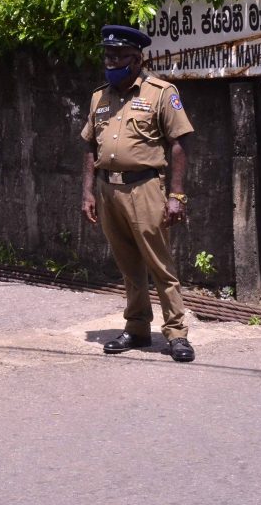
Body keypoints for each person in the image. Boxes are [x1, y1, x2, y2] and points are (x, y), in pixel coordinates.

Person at [80, 25, 196, 362]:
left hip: (145, 188)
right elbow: (90, 146)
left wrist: (176, 196)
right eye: (107, 56)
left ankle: (176, 333)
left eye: (118, 57)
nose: (111, 62)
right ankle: (137, 328)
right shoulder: (99, 97)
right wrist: (88, 192)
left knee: (159, 264)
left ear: (137, 59)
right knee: (128, 264)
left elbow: (178, 144)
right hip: (108, 190)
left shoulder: (161, 93)